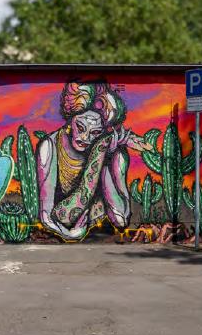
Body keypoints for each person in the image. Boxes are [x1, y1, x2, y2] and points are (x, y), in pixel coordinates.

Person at [35, 78, 149, 240]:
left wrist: (105, 157)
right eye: (80, 127)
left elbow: (121, 218)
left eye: (95, 132)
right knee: (62, 214)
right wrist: (69, 235)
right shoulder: (50, 146)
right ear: (70, 120)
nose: (85, 138)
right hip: (65, 223)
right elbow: (47, 216)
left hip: (100, 231)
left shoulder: (111, 149)